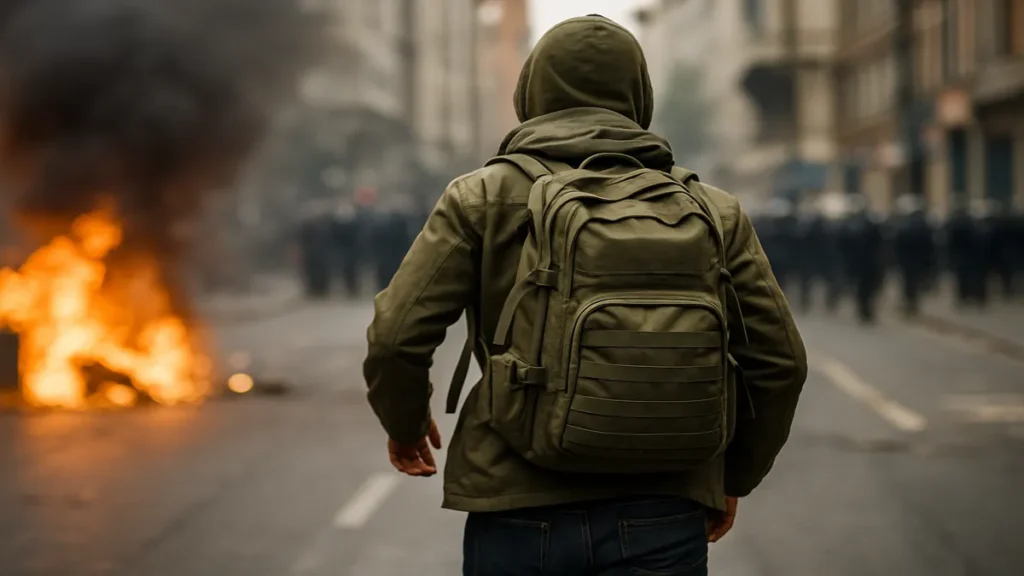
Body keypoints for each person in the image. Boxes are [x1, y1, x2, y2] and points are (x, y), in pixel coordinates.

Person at [363, 15, 808, 576]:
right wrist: (732, 476)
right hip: (663, 509)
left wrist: (404, 426)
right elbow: (781, 364)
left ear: (531, 91)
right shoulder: (713, 210)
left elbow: (395, 338)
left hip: (516, 506)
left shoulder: (481, 195)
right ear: (639, 96)